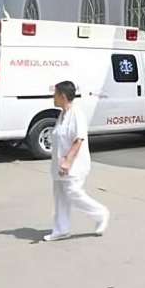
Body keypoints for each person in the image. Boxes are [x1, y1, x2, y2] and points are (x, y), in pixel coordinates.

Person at [44, 81, 110, 242]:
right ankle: (61, 229)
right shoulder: (62, 114)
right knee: (60, 196)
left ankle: (101, 213)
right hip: (59, 165)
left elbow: (78, 139)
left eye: (55, 94)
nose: (53, 97)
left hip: (74, 165)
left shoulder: (76, 114)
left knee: (73, 192)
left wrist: (68, 161)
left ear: (63, 96)